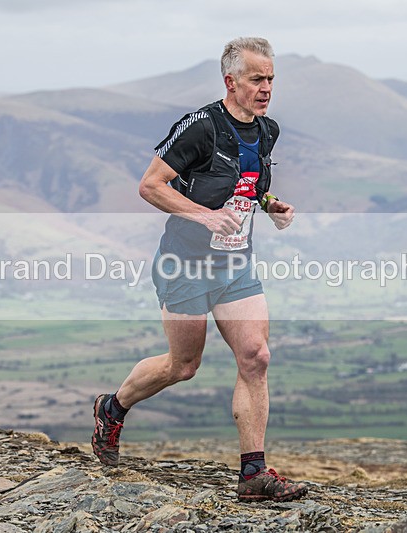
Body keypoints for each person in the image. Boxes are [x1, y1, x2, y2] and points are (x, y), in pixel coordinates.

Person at [91, 37, 308, 502]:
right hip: (185, 264)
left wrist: (270, 205)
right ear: (231, 82)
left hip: (235, 265)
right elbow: (151, 186)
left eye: (271, 78)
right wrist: (204, 216)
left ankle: (253, 474)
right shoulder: (201, 127)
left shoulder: (267, 130)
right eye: (257, 79)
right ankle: (113, 406)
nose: (266, 87)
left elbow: (247, 185)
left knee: (257, 356)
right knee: (183, 365)